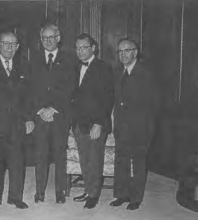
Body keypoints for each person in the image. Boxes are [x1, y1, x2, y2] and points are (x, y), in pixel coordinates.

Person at [0, 31, 34, 212]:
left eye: (13, 44)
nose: (9, 47)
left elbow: (29, 96)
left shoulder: (24, 65)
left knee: (18, 162)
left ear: (18, 47)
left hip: (17, 123)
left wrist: (29, 118)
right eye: (5, 43)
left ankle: (15, 197)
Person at [27, 23, 77, 204]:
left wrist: (52, 108)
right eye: (44, 38)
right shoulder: (33, 59)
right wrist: (41, 110)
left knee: (59, 154)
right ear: (41, 40)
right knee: (40, 154)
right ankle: (39, 191)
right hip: (40, 116)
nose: (48, 41)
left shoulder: (70, 59)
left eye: (51, 37)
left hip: (60, 114)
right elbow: (30, 88)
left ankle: (60, 191)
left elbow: (70, 87)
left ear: (58, 38)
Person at [110, 38, 159, 210]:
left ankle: (135, 198)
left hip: (141, 128)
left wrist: (147, 129)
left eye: (127, 50)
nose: (123, 54)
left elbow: (152, 105)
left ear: (135, 52)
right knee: (121, 162)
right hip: (122, 128)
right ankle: (121, 195)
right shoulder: (117, 73)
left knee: (138, 164)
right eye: (120, 51)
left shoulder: (146, 74)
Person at [71, 33, 114, 209]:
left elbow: (107, 98)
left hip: (96, 123)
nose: (80, 51)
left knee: (94, 160)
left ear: (93, 48)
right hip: (78, 123)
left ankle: (94, 195)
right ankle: (88, 190)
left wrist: (99, 123)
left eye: (84, 47)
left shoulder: (103, 67)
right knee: (84, 159)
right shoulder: (74, 67)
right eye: (78, 48)